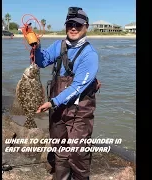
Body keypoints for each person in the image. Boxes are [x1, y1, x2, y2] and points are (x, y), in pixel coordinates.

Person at [25, 7, 100, 180]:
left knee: (78, 153)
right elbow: (41, 61)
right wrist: (35, 46)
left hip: (80, 111)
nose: (73, 28)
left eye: (78, 25)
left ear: (86, 27)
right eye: (70, 24)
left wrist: (52, 102)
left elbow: (77, 87)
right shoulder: (59, 45)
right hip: (58, 109)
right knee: (60, 150)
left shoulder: (90, 55)